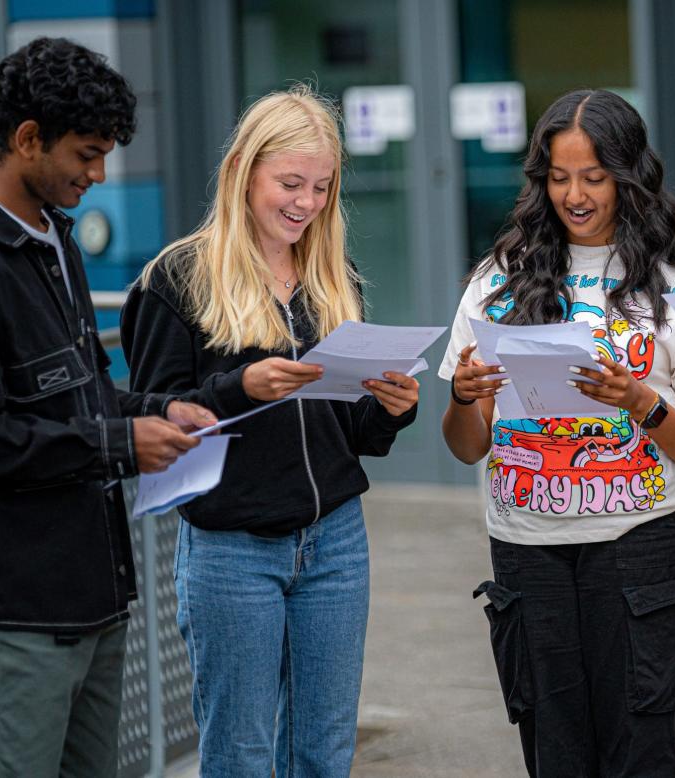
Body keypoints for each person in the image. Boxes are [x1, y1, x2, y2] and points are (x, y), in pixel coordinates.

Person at [120, 86, 420, 777]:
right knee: (242, 756)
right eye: (290, 183)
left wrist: (391, 409)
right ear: (241, 172)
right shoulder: (177, 279)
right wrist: (237, 388)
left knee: (323, 753)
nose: (306, 203)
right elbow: (150, 421)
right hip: (231, 550)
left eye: (321, 187)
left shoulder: (330, 276)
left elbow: (354, 436)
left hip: (336, 544)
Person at [439, 89, 675, 777]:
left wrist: (640, 403)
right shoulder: (496, 281)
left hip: (639, 556)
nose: (574, 195)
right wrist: (461, 398)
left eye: (594, 177)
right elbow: (466, 445)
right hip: (526, 556)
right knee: (555, 758)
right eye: (559, 177)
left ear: (629, 177)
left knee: (641, 757)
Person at [0, 37, 214, 776]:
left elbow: (84, 395)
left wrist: (163, 411)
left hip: (98, 606)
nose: (99, 176)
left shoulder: (56, 241)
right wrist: (118, 444)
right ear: (27, 139)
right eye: (86, 154)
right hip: (17, 621)